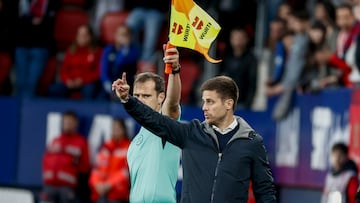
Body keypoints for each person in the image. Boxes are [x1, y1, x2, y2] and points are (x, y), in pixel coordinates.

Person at [112, 75, 277, 202]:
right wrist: (127, 100)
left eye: (210, 102)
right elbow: (156, 121)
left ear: (228, 104)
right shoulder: (191, 133)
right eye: (204, 101)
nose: (204, 107)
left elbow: (265, 190)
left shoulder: (252, 142)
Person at [125, 45, 182, 202]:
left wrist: (174, 70)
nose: (140, 100)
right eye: (136, 95)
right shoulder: (136, 139)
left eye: (146, 95)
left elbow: (172, 103)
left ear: (160, 97)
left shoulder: (165, 125)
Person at [40, 110, 90, 203]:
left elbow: (85, 166)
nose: (67, 124)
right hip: (49, 185)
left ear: (76, 123)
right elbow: (45, 159)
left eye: (70, 122)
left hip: (67, 187)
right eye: (65, 121)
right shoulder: (56, 140)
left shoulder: (81, 142)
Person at [15, 0, 60, 97]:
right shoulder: (24, 2)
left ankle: (27, 110)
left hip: (41, 46)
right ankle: (18, 109)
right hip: (21, 45)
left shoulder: (50, 3)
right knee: (20, 83)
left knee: (31, 83)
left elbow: (50, 22)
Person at [48, 24, 102, 99]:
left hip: (87, 82)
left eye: (84, 35)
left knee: (90, 90)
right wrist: (67, 80)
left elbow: (98, 72)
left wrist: (82, 80)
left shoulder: (97, 52)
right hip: (70, 82)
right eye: (79, 35)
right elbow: (63, 71)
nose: (81, 38)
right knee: (53, 89)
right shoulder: (71, 51)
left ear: (90, 37)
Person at [89, 118, 131, 203]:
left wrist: (110, 184)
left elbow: (127, 171)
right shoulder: (106, 146)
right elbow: (96, 169)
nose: (115, 130)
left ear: (124, 130)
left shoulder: (129, 147)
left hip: (118, 193)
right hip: (100, 193)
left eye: (118, 128)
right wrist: (97, 184)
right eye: (113, 128)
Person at [125, 0, 169, 72]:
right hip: (139, 8)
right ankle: (132, 57)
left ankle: (143, 66)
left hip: (157, 10)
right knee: (127, 30)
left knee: (150, 37)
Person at [220, 27, 257, 109]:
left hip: (243, 103)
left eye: (240, 38)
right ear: (231, 39)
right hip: (226, 101)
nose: (238, 41)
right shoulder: (226, 58)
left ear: (246, 39)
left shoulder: (251, 59)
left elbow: (252, 83)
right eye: (235, 38)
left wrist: (248, 103)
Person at [99, 24, 139, 100]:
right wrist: (108, 86)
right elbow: (103, 70)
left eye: (125, 35)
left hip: (127, 85)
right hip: (111, 84)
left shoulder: (133, 51)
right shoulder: (108, 49)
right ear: (115, 35)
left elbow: (119, 63)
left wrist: (125, 47)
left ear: (130, 37)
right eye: (120, 34)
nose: (122, 37)